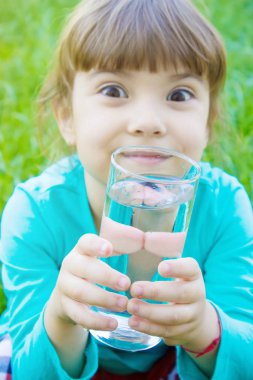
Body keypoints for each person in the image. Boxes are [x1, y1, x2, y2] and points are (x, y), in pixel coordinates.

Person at [0, 0, 252, 379]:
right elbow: (30, 371)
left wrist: (203, 329)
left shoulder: (225, 207)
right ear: (67, 117)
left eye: (179, 95)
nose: (148, 123)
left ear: (208, 124)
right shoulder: (35, 212)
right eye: (114, 90)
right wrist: (62, 318)